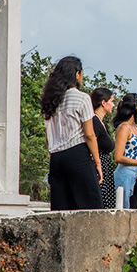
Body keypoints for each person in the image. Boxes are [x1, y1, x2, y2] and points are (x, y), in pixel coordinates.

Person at [40, 56, 103, 211]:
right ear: (76, 74)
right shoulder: (81, 98)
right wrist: (97, 162)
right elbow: (89, 134)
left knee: (61, 209)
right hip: (77, 154)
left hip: (56, 158)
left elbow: (48, 133)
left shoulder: (51, 99)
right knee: (91, 206)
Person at [91, 87, 117, 208]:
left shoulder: (103, 123)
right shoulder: (94, 121)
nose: (113, 105)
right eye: (111, 101)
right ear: (103, 102)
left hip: (105, 163)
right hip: (99, 161)